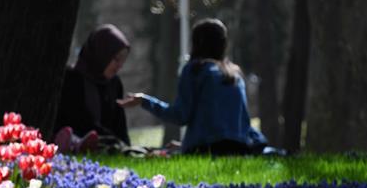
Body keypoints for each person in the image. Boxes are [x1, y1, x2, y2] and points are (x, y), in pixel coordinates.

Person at [118, 18, 267, 156]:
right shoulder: (235, 75)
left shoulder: (196, 70)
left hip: (205, 149)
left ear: (197, 43)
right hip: (239, 151)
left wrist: (144, 101)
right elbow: (238, 126)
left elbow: (180, 116)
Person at [54, 24, 132, 153]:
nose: (120, 66)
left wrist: (126, 147)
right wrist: (111, 140)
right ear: (102, 54)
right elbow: (79, 121)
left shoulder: (114, 83)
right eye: (116, 59)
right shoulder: (72, 78)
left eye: (122, 60)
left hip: (109, 144)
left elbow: (120, 125)